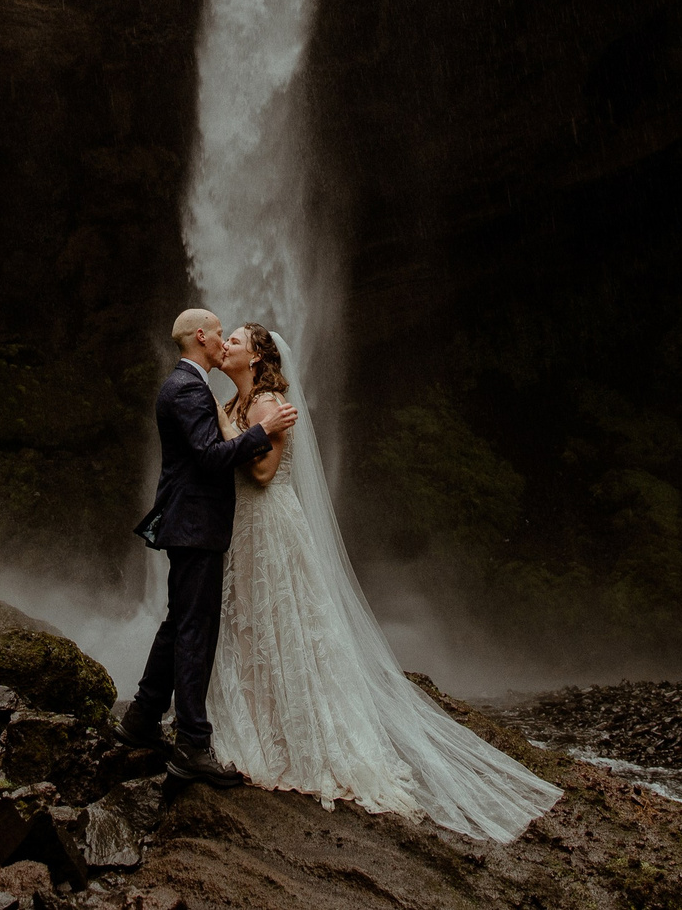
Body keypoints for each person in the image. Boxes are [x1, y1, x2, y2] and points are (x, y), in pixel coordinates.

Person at [201, 322, 562, 842]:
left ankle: (300, 740)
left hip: (273, 527)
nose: (227, 343)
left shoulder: (267, 406)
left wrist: (224, 422)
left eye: (236, 339)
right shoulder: (240, 406)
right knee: (253, 628)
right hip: (244, 530)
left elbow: (260, 476)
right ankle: (264, 728)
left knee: (287, 626)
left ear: (257, 357)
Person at [120, 307, 298, 784]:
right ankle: (193, 746)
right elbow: (209, 456)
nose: (224, 342)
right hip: (196, 525)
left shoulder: (193, 388)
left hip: (195, 523)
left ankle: (141, 718)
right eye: (221, 334)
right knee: (195, 630)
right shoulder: (188, 388)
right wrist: (263, 431)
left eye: (230, 338)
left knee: (180, 624)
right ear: (201, 336)